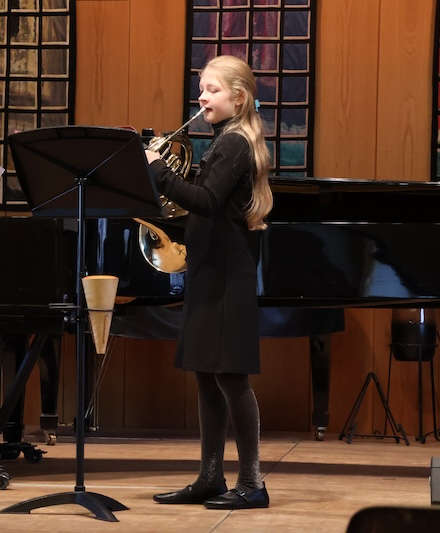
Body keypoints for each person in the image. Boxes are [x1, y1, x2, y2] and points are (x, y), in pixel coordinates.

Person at [147, 55, 273, 510]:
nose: (201, 97)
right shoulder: (222, 140)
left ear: (238, 97)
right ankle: (211, 477)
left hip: (227, 277)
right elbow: (205, 213)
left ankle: (254, 483)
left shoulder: (236, 143)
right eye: (201, 89)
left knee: (231, 379)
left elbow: (205, 199)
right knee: (207, 376)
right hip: (208, 272)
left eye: (212, 90)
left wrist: (158, 170)